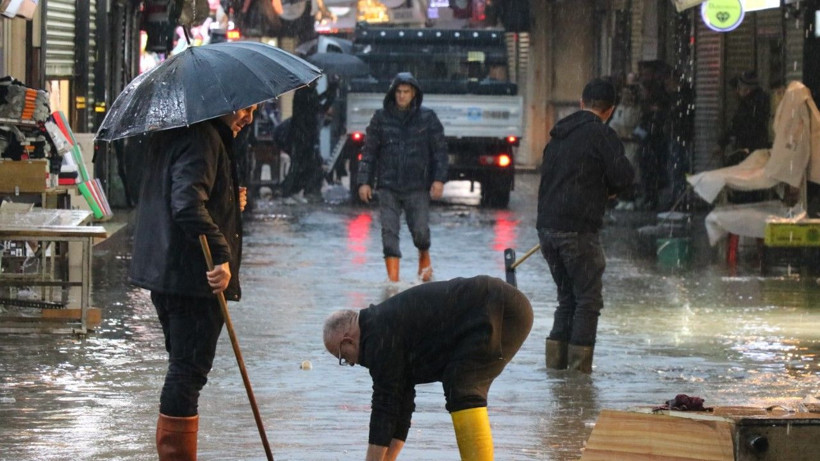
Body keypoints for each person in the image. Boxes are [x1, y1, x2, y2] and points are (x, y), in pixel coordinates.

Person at [129, 104, 256, 460]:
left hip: (170, 274)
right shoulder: (203, 137)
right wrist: (222, 255)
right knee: (187, 373)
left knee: (183, 369)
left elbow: (184, 194)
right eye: (245, 108)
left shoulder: (178, 132)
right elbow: (186, 203)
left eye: (255, 109)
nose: (249, 117)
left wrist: (228, 199)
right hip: (193, 278)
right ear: (223, 103)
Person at [322, 275, 533, 461]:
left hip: (503, 311)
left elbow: (383, 409)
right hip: (498, 306)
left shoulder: (378, 338)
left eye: (342, 357)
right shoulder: (379, 329)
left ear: (347, 342)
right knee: (458, 383)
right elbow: (400, 407)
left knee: (463, 386)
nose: (350, 363)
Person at [537, 78, 634, 373]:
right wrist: (609, 188)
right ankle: (579, 378)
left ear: (582, 102)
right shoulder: (602, 136)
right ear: (611, 110)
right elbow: (624, 177)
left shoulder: (559, 134)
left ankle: (555, 371)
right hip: (577, 231)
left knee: (567, 299)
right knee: (588, 301)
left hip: (547, 229)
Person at [357, 72, 448, 283]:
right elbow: (369, 151)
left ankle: (424, 260)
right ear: (393, 93)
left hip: (417, 186)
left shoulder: (428, 118)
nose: (402, 96)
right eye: (398, 92)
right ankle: (393, 285)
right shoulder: (381, 118)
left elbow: (440, 152)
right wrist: (364, 182)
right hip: (388, 186)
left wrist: (439, 179)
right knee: (389, 235)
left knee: (421, 234)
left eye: (406, 92)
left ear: (414, 93)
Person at [717, 70, 771, 167]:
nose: (737, 92)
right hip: (759, 150)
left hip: (750, 151)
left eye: (739, 88)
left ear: (747, 90)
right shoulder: (761, 101)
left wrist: (722, 143)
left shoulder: (749, 104)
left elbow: (736, 125)